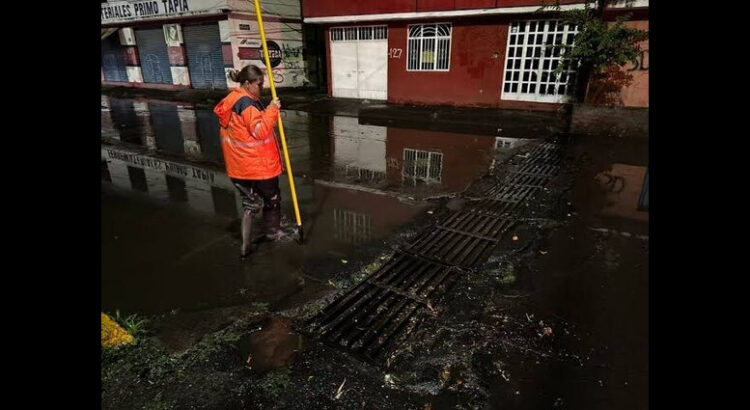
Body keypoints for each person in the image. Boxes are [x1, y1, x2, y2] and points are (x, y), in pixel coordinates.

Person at [214, 65, 287, 258]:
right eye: (259, 84)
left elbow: (245, 128)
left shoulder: (233, 99)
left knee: (250, 205)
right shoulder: (246, 104)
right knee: (272, 198)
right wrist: (272, 109)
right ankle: (272, 232)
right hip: (257, 166)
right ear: (247, 83)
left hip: (239, 166)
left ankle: (246, 246)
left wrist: (267, 109)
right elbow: (259, 131)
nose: (261, 87)